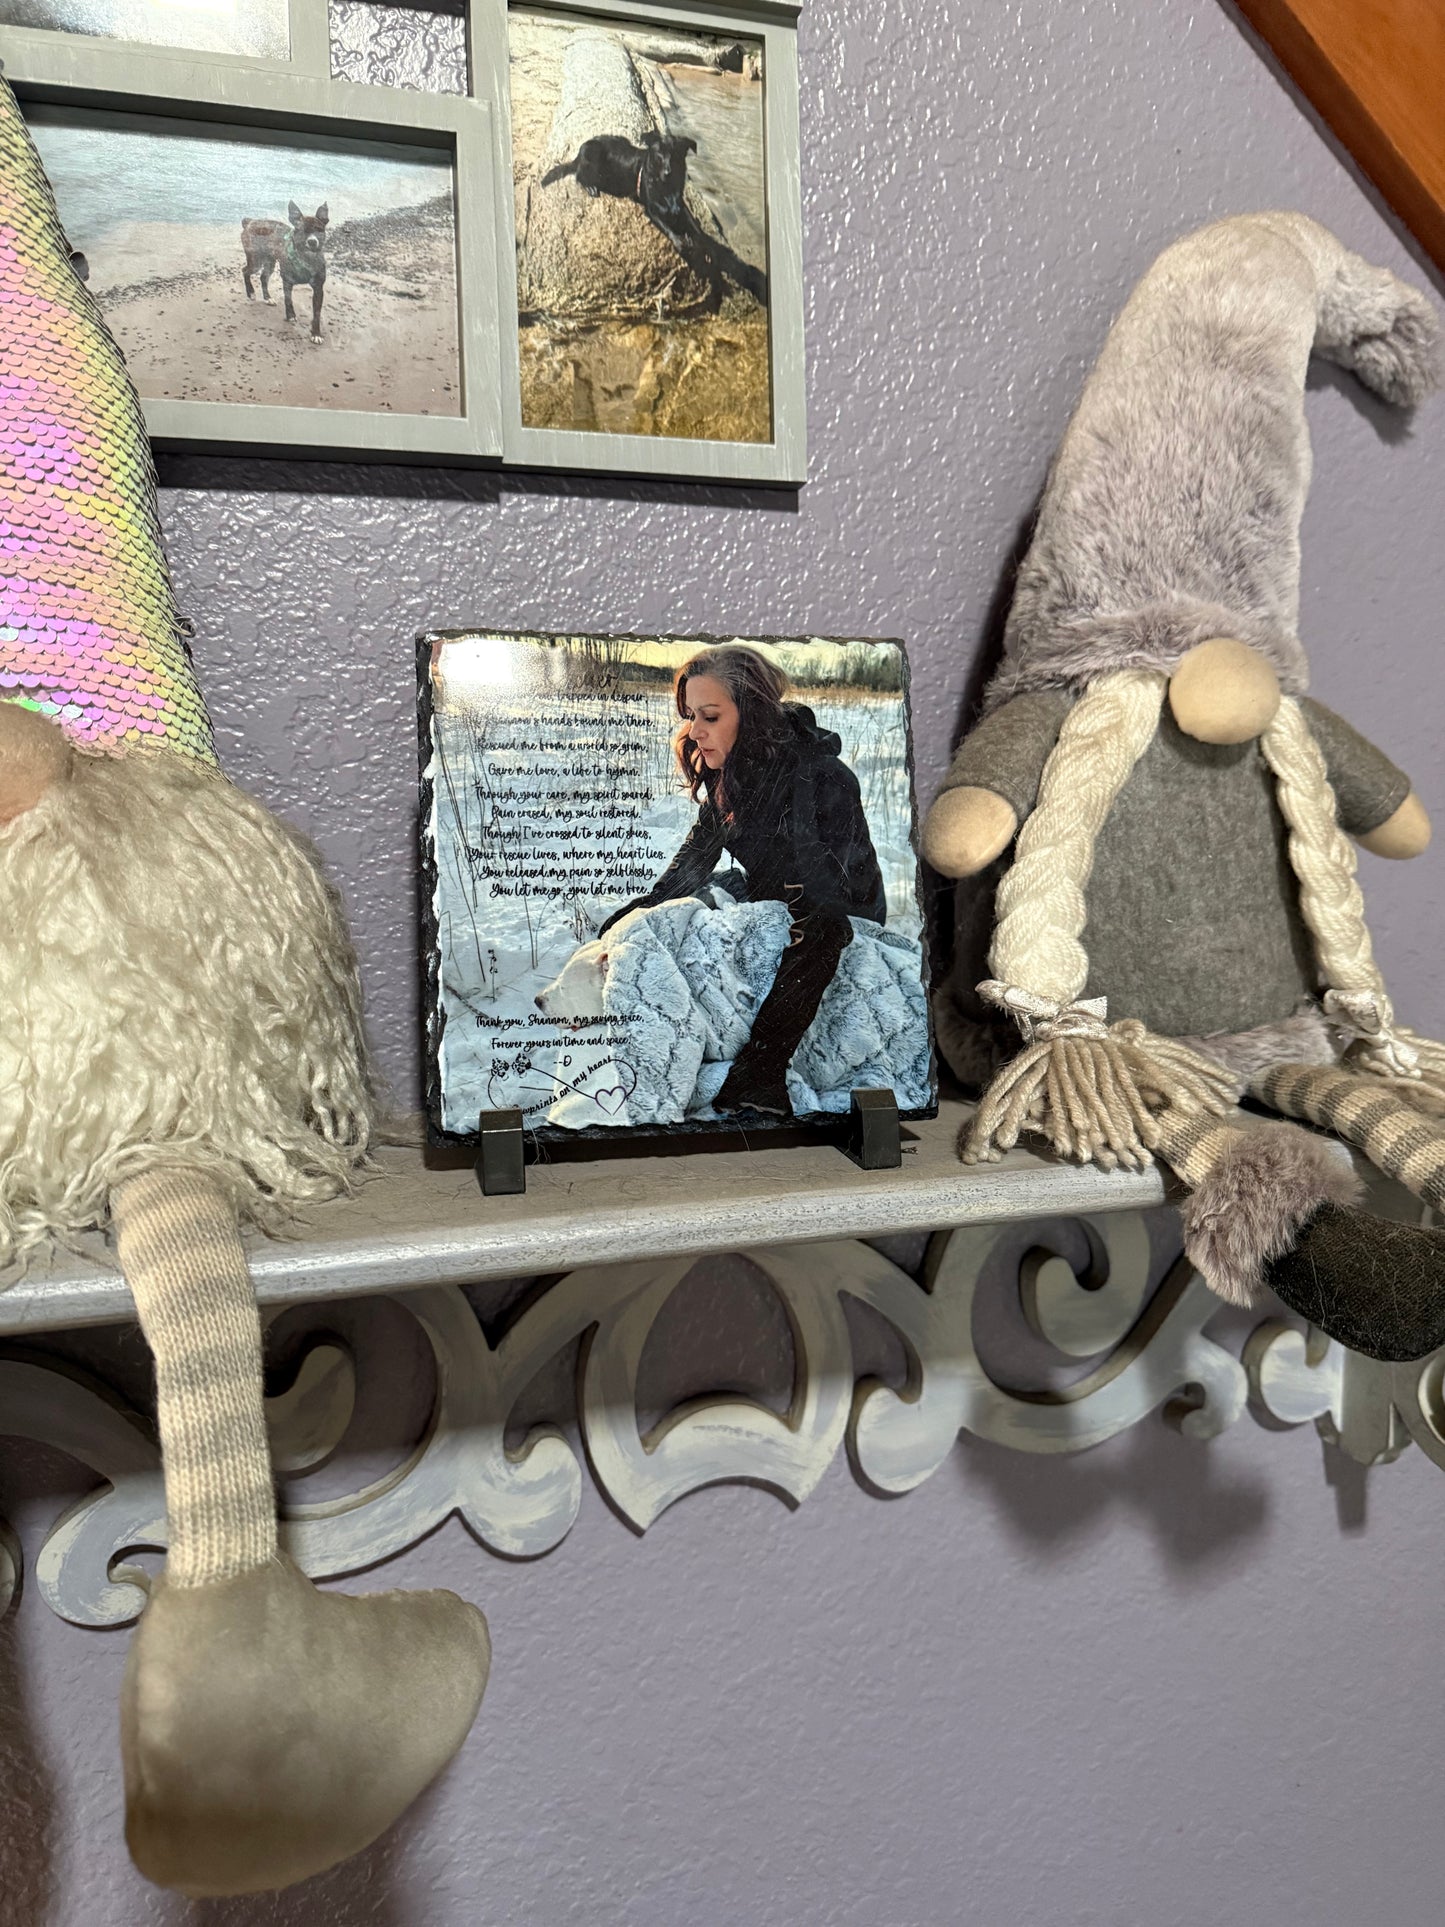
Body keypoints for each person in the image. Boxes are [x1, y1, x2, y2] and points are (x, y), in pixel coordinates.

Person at [599, 646, 887, 1117]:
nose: (695, 731)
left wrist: (772, 919)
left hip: (838, 914)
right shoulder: (728, 774)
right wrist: (643, 908)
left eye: (710, 716)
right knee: (697, 899)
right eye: (692, 716)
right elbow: (698, 853)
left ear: (750, 715)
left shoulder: (823, 777)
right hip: (775, 896)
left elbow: (840, 895)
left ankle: (761, 1075)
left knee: (817, 929)